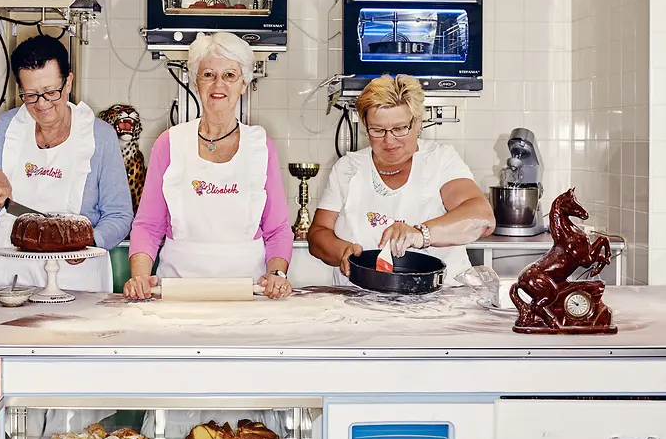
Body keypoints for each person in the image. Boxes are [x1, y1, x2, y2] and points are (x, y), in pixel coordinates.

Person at [0, 35, 133, 291]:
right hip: (6, 274)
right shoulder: (8, 128)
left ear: (68, 81)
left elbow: (119, 215)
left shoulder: (99, 136)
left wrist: (89, 243)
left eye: (51, 92)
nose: (42, 105)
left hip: (75, 275)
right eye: (30, 95)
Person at [123, 32, 295, 300]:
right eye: (208, 75)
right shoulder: (169, 143)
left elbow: (277, 230)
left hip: (248, 292)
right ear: (196, 81)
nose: (218, 84)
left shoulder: (260, 146)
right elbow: (148, 225)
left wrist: (276, 276)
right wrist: (140, 276)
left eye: (229, 75)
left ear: (244, 83)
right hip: (178, 291)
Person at [307, 74, 495, 286]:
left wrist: (420, 234)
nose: (389, 140)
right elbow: (318, 235)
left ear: (417, 123)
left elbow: (482, 217)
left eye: (399, 129)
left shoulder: (440, 161)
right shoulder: (348, 168)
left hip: (438, 303)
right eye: (377, 130)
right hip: (360, 302)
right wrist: (342, 252)